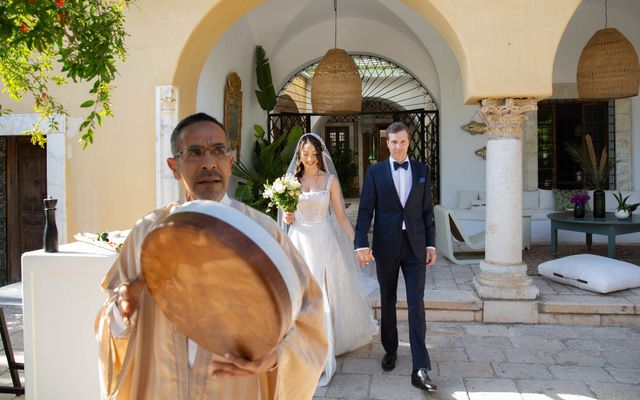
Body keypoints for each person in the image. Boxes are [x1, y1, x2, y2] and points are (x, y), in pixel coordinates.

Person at [95, 113, 327, 400]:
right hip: (160, 387)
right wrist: (123, 308)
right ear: (174, 166)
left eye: (218, 151)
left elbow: (310, 314)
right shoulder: (147, 234)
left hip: (235, 390)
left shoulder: (263, 233)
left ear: (230, 162)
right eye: (194, 153)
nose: (208, 163)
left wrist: (275, 358)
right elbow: (110, 323)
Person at [282, 133, 377, 386]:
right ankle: (303, 344)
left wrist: (360, 244)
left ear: (321, 154)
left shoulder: (330, 181)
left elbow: (342, 218)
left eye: (314, 154)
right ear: (300, 155)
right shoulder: (291, 181)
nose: (310, 158)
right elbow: (287, 216)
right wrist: (289, 217)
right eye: (306, 154)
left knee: (324, 293)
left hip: (323, 240)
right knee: (301, 296)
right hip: (299, 241)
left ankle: (325, 346)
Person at [354, 121, 439, 392]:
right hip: (386, 245)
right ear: (387, 143)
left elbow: (427, 211)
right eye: (393, 142)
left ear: (408, 142)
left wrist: (431, 245)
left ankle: (421, 367)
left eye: (402, 141)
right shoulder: (375, 172)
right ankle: (390, 350)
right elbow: (366, 209)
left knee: (417, 303)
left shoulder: (422, 170)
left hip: (415, 246)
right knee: (388, 300)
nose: (398, 146)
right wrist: (360, 244)